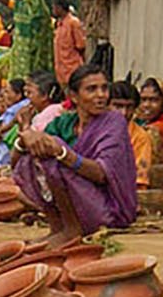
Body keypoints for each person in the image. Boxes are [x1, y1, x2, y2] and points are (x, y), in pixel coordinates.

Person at [9, 62, 139, 241]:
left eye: (104, 88)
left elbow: (102, 174)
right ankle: (57, 227)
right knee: (35, 156)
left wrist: (64, 154)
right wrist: (26, 136)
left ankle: (71, 230)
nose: (101, 95)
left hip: (107, 206)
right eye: (91, 89)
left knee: (54, 158)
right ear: (74, 96)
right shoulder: (64, 122)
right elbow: (15, 161)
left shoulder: (113, 122)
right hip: (78, 201)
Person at [50, 0, 88, 85]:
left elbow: (81, 46)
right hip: (61, 71)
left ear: (60, 8)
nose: (53, 10)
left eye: (54, 7)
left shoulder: (73, 23)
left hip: (72, 68)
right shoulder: (59, 24)